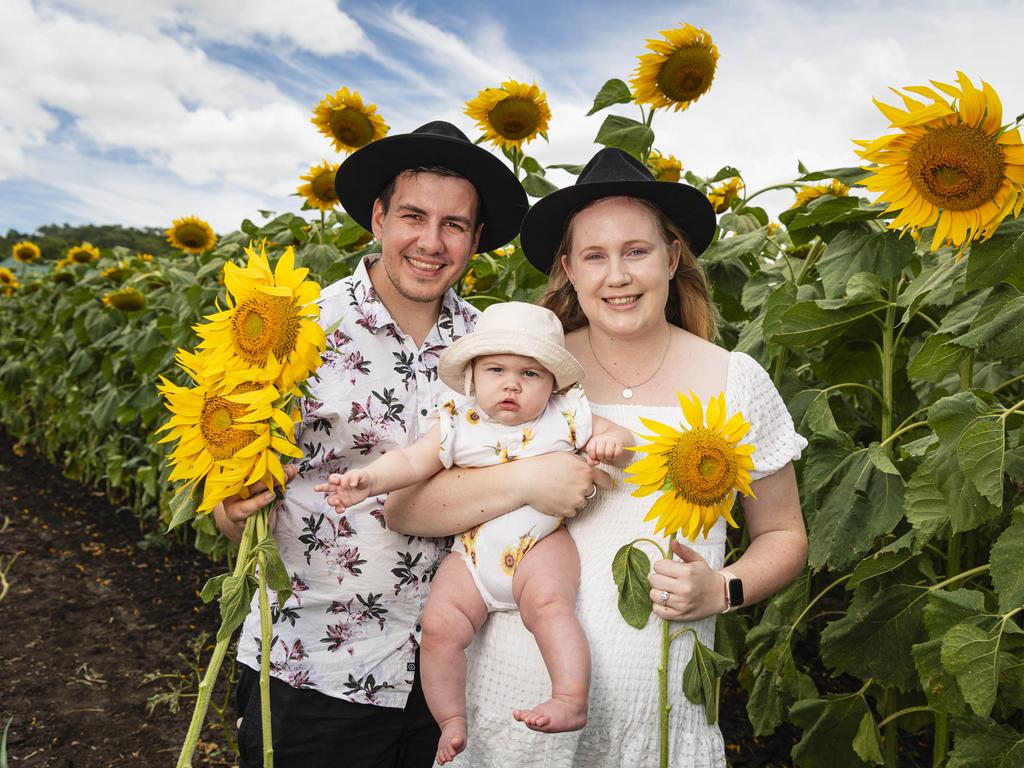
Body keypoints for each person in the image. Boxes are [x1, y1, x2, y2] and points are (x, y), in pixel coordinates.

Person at [383, 147, 808, 768]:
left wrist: (723, 587)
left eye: (636, 251)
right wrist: (528, 479)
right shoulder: (526, 375)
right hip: (516, 698)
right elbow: (409, 507)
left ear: (672, 256)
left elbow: (784, 532)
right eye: (594, 256)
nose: (618, 275)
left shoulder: (734, 380)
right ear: (568, 270)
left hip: (657, 709)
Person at [212, 120, 552, 768]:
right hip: (314, 670)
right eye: (413, 216)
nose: (431, 242)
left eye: (454, 224)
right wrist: (230, 511)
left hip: (452, 680)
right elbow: (234, 498)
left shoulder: (499, 351)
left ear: (477, 239)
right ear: (377, 217)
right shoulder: (297, 331)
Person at [314, 301, 635, 764]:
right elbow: (409, 463)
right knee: (441, 628)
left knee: (549, 606)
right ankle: (450, 719)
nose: (511, 383)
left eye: (530, 374)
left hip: (540, 545)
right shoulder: (457, 421)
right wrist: (369, 482)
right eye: (497, 369)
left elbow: (620, 437)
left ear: (552, 384)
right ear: (472, 378)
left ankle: (570, 697)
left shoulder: (565, 416)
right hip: (471, 555)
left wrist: (610, 444)